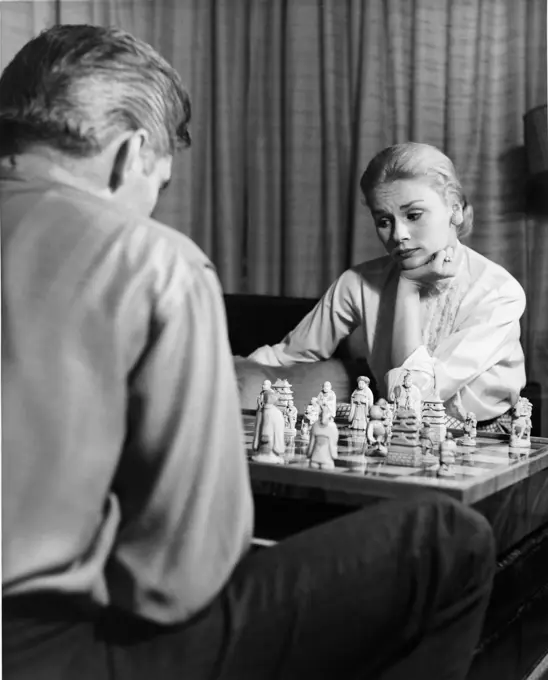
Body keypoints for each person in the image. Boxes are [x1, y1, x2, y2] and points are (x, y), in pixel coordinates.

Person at [2, 25, 496, 680]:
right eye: (160, 186)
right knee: (447, 539)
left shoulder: (488, 289)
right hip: (51, 653)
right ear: (128, 155)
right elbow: (176, 581)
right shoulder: (155, 264)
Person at [249, 142, 526, 431]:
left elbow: (414, 397)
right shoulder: (358, 283)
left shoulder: (497, 291)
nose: (398, 235)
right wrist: (222, 371)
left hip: (487, 439)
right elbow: (287, 354)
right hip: (391, 428)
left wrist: (407, 287)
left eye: (414, 215)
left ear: (454, 210)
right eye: (384, 220)